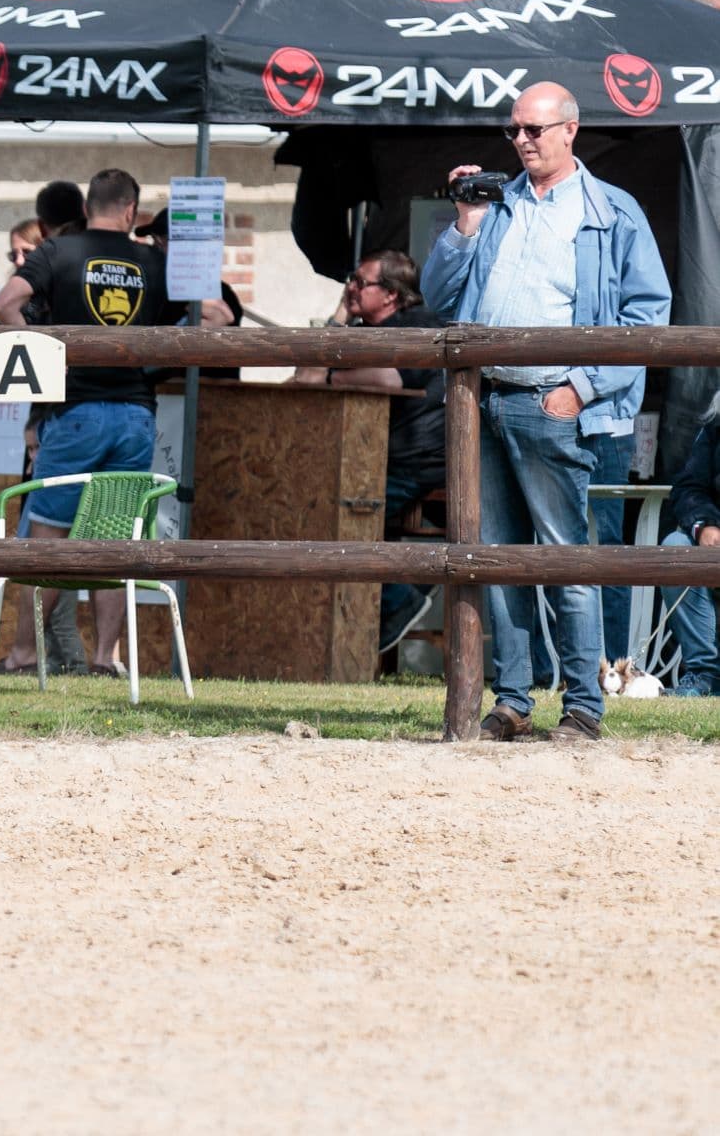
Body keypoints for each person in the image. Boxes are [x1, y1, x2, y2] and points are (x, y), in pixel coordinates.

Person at [425, 81, 671, 743]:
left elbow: (647, 316)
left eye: (535, 130)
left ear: (570, 131)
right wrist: (464, 223)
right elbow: (439, 295)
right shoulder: (495, 206)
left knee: (566, 561)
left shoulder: (611, 211)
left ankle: (583, 707)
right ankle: (512, 702)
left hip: (554, 404)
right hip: (488, 400)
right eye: (514, 131)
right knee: (498, 558)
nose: (522, 141)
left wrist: (582, 388)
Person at [0, 167, 164, 677]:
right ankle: (106, 658)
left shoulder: (58, 252)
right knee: (115, 540)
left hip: (75, 412)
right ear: (131, 211)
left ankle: (25, 653)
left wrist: (41, 356)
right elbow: (216, 318)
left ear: (88, 207)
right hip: (136, 412)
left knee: (46, 537)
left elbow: (5, 303)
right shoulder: (152, 261)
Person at [289, 249, 446, 650]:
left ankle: (398, 598)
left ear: (392, 294)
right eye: (350, 280)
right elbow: (306, 377)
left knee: (335, 514)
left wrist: (331, 374)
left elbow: (391, 379)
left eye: (360, 281)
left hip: (415, 461)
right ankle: (387, 605)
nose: (351, 288)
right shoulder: (356, 329)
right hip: (368, 461)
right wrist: (340, 317)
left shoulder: (418, 323)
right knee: (321, 508)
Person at [653, 398, 720, 698]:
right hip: (715, 541)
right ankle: (704, 674)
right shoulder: (715, 426)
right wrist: (705, 526)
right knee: (675, 547)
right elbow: (687, 487)